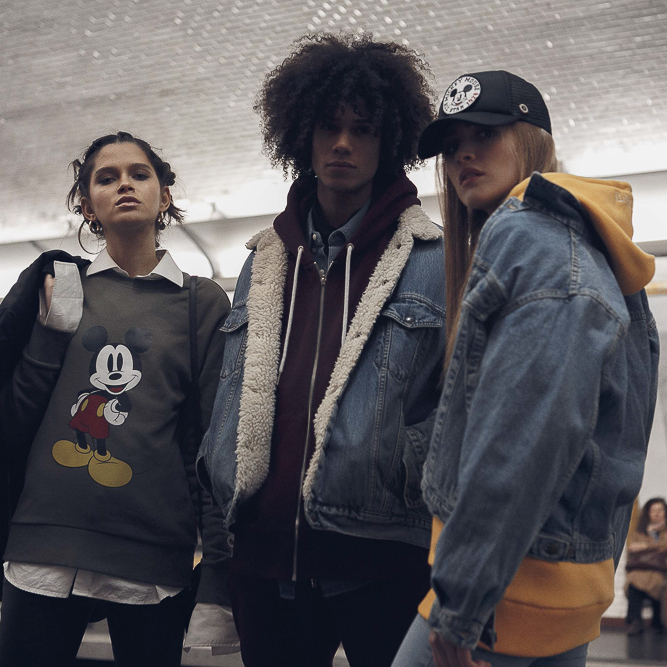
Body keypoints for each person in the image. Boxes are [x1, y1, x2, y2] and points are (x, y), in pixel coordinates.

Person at [391, 70, 660, 667]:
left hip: (504, 590)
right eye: (452, 145)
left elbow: (525, 436)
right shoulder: (598, 245)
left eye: (485, 134)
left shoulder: (529, 238)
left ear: (533, 140)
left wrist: (462, 601)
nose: (464, 154)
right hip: (569, 586)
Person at [197, 32, 445, 667]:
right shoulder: (263, 261)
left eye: (363, 129)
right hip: (263, 563)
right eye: (329, 127)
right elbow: (231, 396)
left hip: (383, 559)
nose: (342, 144)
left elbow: (458, 407)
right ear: (301, 135)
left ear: (390, 141)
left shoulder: (435, 260)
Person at [0, 132, 233, 666]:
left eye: (139, 174)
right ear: (88, 206)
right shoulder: (60, 284)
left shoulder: (200, 302)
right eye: (107, 178)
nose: (124, 184)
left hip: (150, 557)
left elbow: (213, 444)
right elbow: (13, 424)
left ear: (164, 195)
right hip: (42, 548)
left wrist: (219, 569)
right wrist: (50, 331)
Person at [625, 497, 667, 636]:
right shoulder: (640, 531)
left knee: (657, 582)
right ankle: (635, 621)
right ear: (648, 513)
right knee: (633, 582)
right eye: (653, 510)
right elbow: (632, 547)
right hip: (640, 569)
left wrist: (646, 546)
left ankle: (657, 622)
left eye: (660, 510)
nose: (657, 513)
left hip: (660, 571)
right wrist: (656, 547)